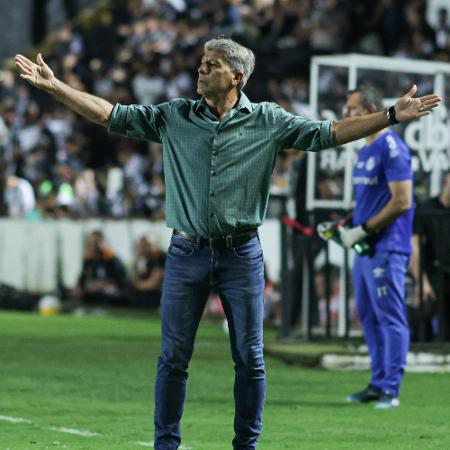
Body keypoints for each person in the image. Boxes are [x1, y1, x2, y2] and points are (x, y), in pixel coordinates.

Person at [15, 39, 440, 449]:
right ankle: (166, 445)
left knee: (250, 359)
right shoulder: (174, 115)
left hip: (242, 255)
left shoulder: (269, 120)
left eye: (211, 64)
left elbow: (327, 132)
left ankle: (246, 446)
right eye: (201, 62)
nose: (200, 69)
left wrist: (389, 116)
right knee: (173, 359)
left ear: (236, 76)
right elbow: (111, 114)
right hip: (186, 252)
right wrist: (56, 87)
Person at [338, 87, 415, 409]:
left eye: (354, 110)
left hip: (388, 246)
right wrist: (346, 224)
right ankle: (377, 382)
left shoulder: (392, 148)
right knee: (369, 318)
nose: (347, 116)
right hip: (367, 248)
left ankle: (391, 390)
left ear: (371, 109)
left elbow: (402, 201)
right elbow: (373, 201)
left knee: (390, 318)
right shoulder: (365, 150)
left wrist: (364, 229)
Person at [410, 169, 450, 341]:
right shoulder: (427, 210)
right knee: (423, 316)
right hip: (434, 275)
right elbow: (415, 249)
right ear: (445, 184)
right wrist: (422, 282)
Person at [72, 230, 128, 306]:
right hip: (92, 289)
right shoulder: (88, 259)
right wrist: (78, 287)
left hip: (112, 290)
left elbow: (117, 279)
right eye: (90, 243)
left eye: (94, 243)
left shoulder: (110, 258)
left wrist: (99, 285)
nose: (91, 246)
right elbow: (83, 276)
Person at [128, 234, 165, 310]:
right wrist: (136, 262)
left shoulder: (161, 257)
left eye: (144, 245)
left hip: (160, 291)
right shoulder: (148, 260)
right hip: (148, 290)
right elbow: (135, 278)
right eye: (140, 246)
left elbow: (153, 283)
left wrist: (136, 285)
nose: (142, 248)